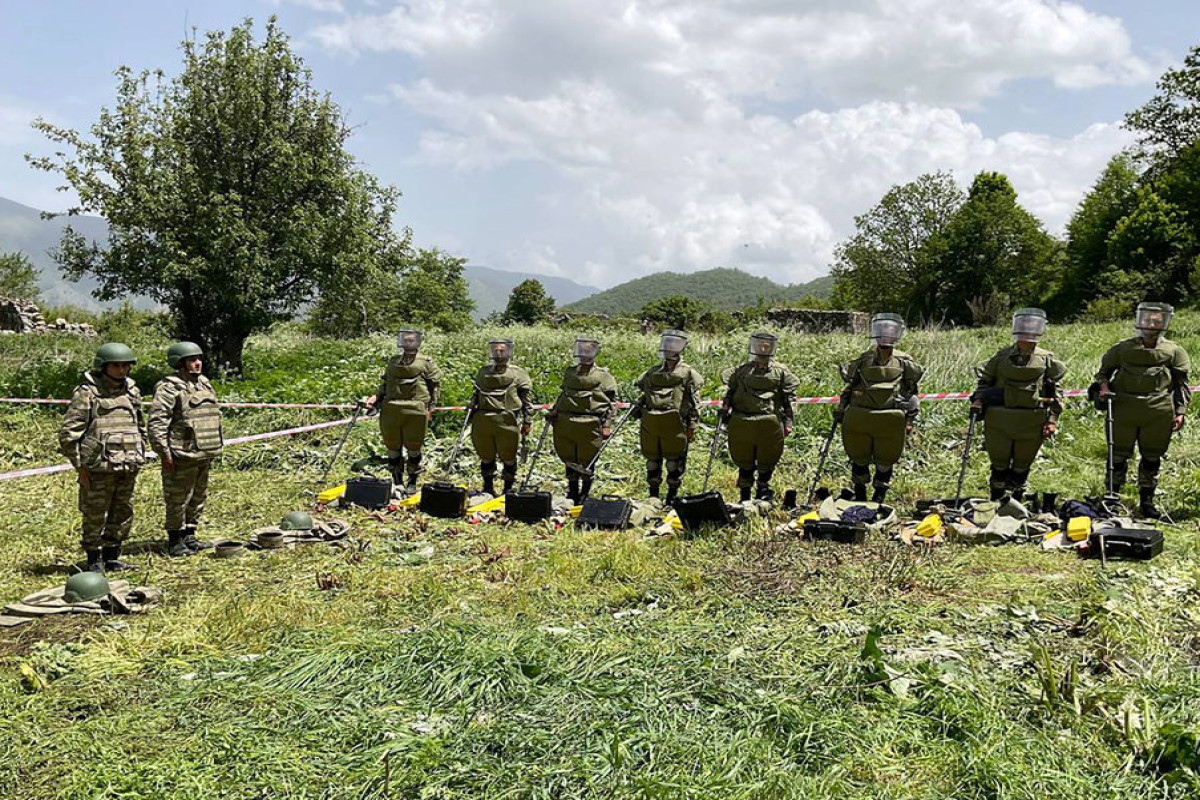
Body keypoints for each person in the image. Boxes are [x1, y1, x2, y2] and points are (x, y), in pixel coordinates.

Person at [1093, 302, 1191, 519]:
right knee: (1116, 456)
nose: (1151, 324)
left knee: (1152, 458)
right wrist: (1103, 387)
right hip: (1123, 409)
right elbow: (1103, 373)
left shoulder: (1174, 351)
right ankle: (1112, 498)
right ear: (1140, 321)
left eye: (1157, 321)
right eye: (1147, 320)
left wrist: (1181, 411)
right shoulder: (1122, 349)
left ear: (1164, 323)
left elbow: (1181, 384)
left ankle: (1147, 501)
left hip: (1158, 411)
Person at [57, 343, 146, 573]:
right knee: (95, 513)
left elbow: (140, 425)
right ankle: (93, 558)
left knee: (122, 511)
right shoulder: (88, 393)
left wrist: (140, 452)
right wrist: (80, 467)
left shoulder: (132, 392)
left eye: (125, 365)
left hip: (127, 464)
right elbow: (69, 434)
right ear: (103, 367)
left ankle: (112, 555)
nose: (121, 370)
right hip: (97, 468)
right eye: (116, 365)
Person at [971, 308, 1066, 502]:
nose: (1027, 332)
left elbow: (1056, 392)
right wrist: (978, 401)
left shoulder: (1047, 360)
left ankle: (1016, 501)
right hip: (1000, 420)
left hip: (1031, 421)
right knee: (999, 464)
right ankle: (996, 500)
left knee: (1022, 465)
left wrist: (1052, 420)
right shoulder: (1001, 357)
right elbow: (984, 382)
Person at [835, 313, 923, 503]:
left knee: (886, 459)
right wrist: (841, 407)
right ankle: (859, 494)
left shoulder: (905, 362)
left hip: (890, 419)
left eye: (890, 332)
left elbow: (912, 391)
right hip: (861, 417)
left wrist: (910, 419)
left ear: (896, 334)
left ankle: (879, 497)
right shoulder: (863, 360)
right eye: (882, 332)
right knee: (859, 457)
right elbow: (849, 386)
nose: (886, 337)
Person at [148, 341, 223, 557]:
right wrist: (164, 453)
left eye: (198, 359)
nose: (197, 363)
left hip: (203, 451)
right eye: (192, 360)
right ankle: (175, 540)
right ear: (180, 363)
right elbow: (157, 423)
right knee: (177, 498)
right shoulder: (169, 388)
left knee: (198, 496)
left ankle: (190, 535)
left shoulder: (204, 384)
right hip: (181, 454)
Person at [721, 331, 800, 503]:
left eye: (767, 345)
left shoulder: (781, 373)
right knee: (744, 461)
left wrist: (789, 422)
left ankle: (763, 493)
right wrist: (725, 409)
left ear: (772, 347)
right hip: (743, 422)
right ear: (754, 346)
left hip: (769, 423)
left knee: (767, 460)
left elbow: (790, 399)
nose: (763, 348)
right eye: (760, 344)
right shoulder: (741, 372)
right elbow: (730, 393)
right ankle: (744, 496)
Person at [361, 328, 443, 492]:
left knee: (413, 447)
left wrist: (431, 409)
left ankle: (412, 481)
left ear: (418, 342)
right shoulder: (393, 361)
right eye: (405, 340)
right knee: (392, 447)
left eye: (412, 340)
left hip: (416, 409)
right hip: (391, 409)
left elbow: (435, 387)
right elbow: (385, 385)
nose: (408, 343)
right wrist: (374, 398)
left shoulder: (425, 362)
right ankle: (397, 481)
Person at [632, 330, 704, 503]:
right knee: (652, 461)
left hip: (676, 424)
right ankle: (653, 495)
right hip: (652, 423)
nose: (669, 349)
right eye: (667, 345)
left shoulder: (688, 373)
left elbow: (695, 403)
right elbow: (642, 390)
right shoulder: (653, 372)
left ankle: (672, 496)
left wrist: (692, 426)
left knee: (674, 462)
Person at [548, 337, 618, 502]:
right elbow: (563, 395)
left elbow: (611, 404)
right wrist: (555, 411)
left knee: (588, 459)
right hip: (567, 422)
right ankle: (572, 491)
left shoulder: (603, 376)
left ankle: (585, 493)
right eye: (582, 350)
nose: (584, 354)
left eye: (588, 351)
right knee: (569, 457)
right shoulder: (570, 372)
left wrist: (607, 425)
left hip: (591, 423)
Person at [469, 339, 533, 495]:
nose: (498, 353)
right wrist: (471, 407)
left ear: (509, 352)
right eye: (495, 350)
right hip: (483, 419)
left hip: (507, 420)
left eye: (502, 350)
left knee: (508, 455)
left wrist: (527, 421)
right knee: (485, 455)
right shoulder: (483, 372)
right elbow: (476, 394)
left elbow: (527, 399)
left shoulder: (518, 373)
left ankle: (508, 488)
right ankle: (488, 487)